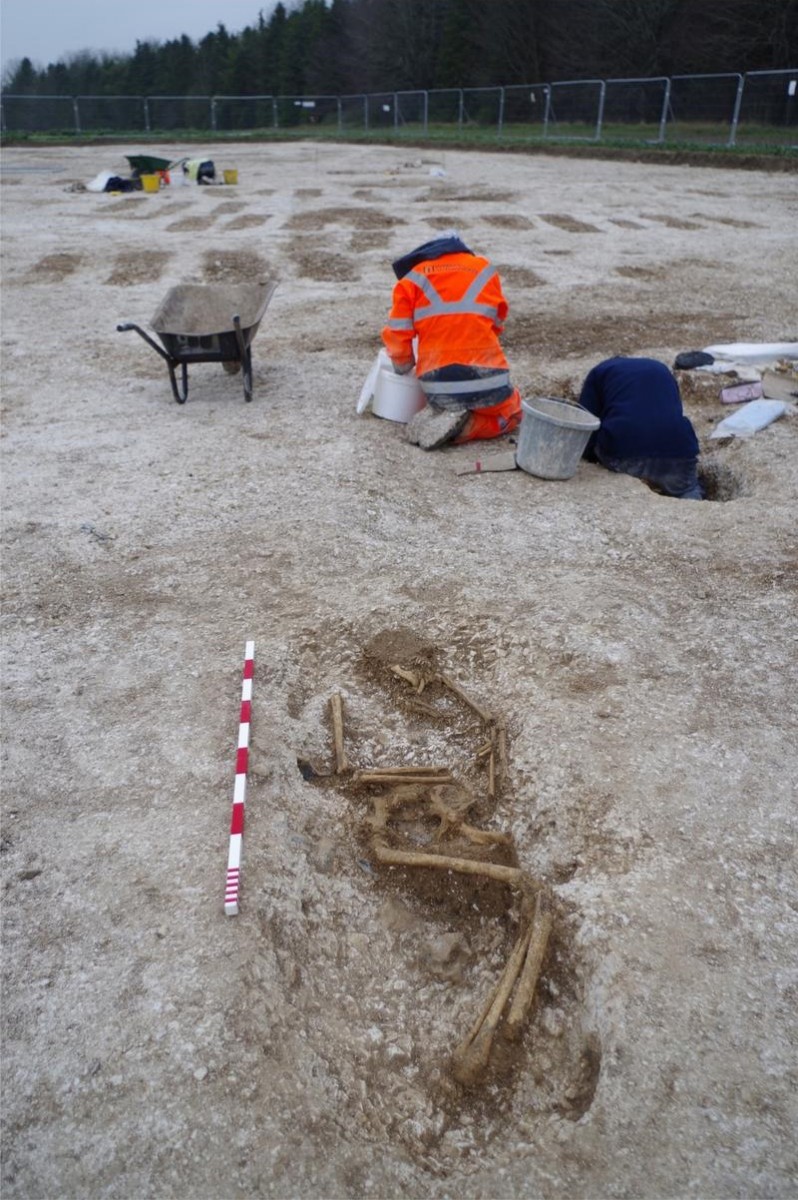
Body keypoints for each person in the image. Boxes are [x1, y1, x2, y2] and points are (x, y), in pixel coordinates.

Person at [381, 232, 521, 450]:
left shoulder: (411, 279)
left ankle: (443, 409)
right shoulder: (484, 269)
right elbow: (497, 320)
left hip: (436, 382)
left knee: (452, 397)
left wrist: (402, 365)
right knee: (513, 410)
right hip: (489, 377)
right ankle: (471, 426)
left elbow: (398, 331)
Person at [579, 356, 703, 499]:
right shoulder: (661, 368)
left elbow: (586, 422)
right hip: (678, 448)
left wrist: (589, 456)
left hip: (625, 449)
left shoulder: (600, 371)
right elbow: (673, 412)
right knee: (687, 489)